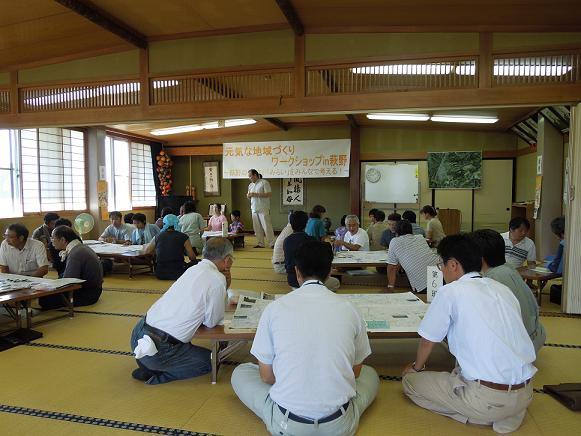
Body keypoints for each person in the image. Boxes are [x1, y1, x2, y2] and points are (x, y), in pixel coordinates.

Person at [231, 240, 379, 436]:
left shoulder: (275, 308)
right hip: (339, 425)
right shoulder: (350, 308)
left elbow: (266, 377)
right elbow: (356, 371)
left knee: (240, 372)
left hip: (287, 424)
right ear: (329, 273)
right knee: (370, 373)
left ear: (297, 272)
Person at [402, 234, 536, 434]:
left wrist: (416, 368)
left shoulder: (451, 291)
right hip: (526, 393)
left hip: (488, 398)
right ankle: (505, 414)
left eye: (441, 264)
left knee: (410, 384)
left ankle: (479, 416)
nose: (442, 270)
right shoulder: (502, 289)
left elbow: (428, 341)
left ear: (453, 265)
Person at [130, 238, 234, 384]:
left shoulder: (193, 269)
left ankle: (151, 364)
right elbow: (212, 322)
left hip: (138, 334)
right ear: (227, 260)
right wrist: (225, 286)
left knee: (184, 342)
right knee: (211, 361)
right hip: (161, 349)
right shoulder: (217, 279)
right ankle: (159, 374)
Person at [471, 229, 546, 355]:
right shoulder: (507, 268)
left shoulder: (493, 279)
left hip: (521, 349)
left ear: (480, 257)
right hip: (536, 335)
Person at [39, 225, 103, 310]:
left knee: (44, 300)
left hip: (88, 294)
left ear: (63, 240)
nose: (52, 242)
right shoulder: (79, 248)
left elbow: (69, 280)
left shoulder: (76, 253)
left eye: (53, 238)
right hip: (94, 290)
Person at [284, 211, 339, 291]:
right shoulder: (310, 240)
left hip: (292, 280)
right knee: (336, 282)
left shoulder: (287, 240)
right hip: (307, 280)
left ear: (291, 224)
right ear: (306, 224)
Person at [387, 220, 440, 293]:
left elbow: (392, 267)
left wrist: (390, 287)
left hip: (424, 285)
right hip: (440, 274)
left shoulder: (394, 241)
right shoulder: (420, 237)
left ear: (397, 230)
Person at [141, 214, 197, 280]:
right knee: (197, 262)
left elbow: (147, 251)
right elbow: (192, 257)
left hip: (160, 273)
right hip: (179, 272)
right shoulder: (184, 236)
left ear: (164, 224)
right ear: (177, 223)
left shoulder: (158, 236)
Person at [247, 169, 274, 248]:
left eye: (250, 176)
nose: (249, 178)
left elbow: (269, 194)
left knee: (267, 226)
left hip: (263, 208)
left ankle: (272, 243)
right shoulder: (250, 185)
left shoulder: (264, 182)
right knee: (257, 227)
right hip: (254, 208)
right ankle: (260, 243)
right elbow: (250, 196)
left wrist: (255, 194)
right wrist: (248, 196)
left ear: (255, 175)